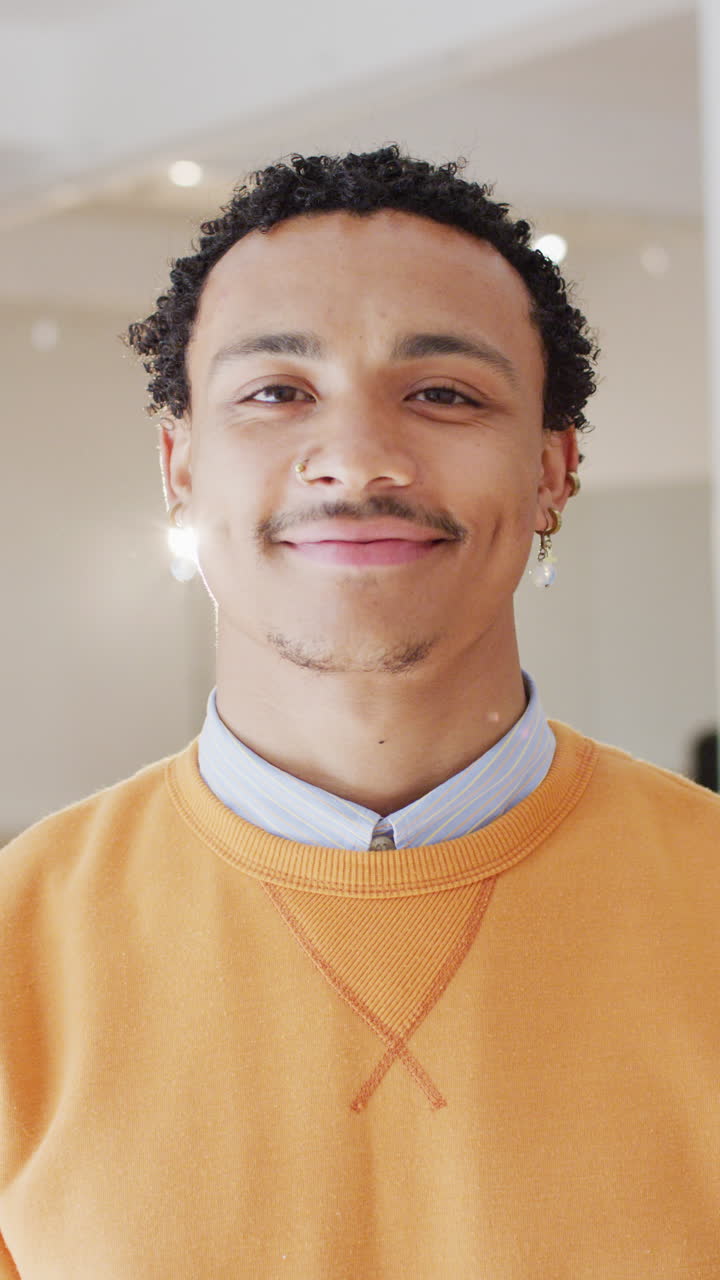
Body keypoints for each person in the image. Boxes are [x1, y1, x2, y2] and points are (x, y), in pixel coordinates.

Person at [1, 147, 719, 1279]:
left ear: (553, 467)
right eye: (277, 392)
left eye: (442, 392)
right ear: (180, 464)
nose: (358, 459)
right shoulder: (17, 945)